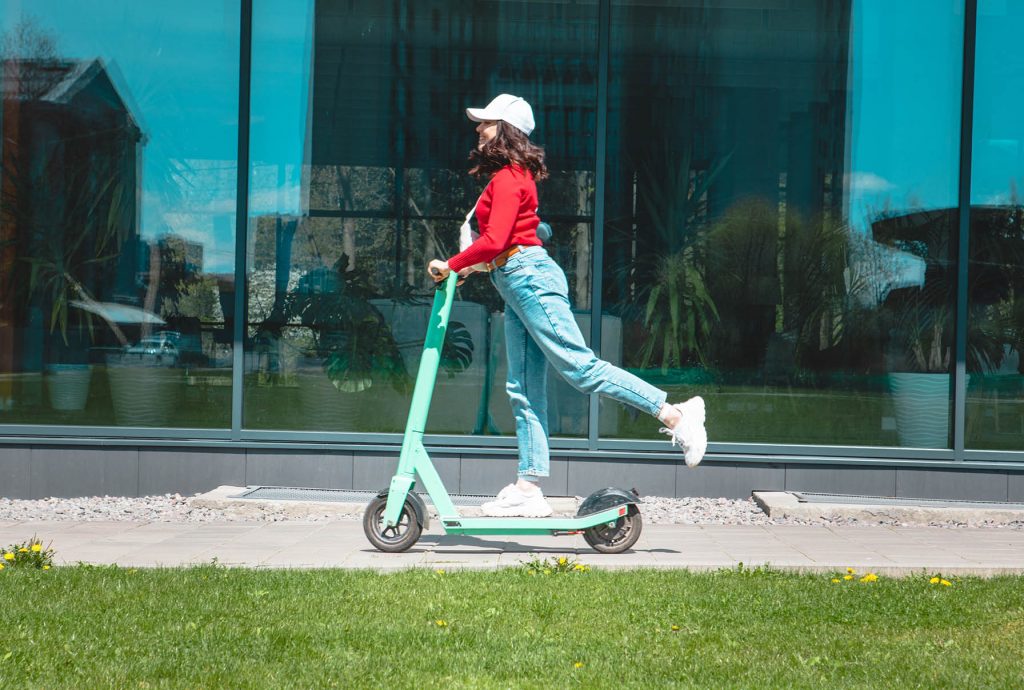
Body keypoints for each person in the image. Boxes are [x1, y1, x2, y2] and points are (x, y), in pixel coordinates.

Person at [428, 94, 707, 518]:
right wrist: (467, 271)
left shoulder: (507, 178)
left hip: (528, 279)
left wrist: (451, 264)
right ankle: (528, 486)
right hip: (516, 279)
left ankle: (675, 414)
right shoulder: (511, 176)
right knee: (521, 386)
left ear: (505, 129)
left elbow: (499, 240)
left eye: (486, 123)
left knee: (580, 367)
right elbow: (514, 239)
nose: (478, 129)